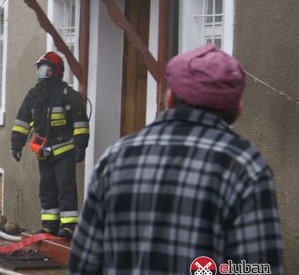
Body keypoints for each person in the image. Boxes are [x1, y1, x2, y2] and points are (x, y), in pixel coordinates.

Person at [69, 45, 283, 274]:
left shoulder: (116, 158)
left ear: (169, 99)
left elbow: (83, 264)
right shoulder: (246, 167)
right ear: (238, 109)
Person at [11, 51, 90, 238]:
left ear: (55, 71)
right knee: (46, 189)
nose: (41, 72)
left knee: (66, 188)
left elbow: (80, 123)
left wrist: (81, 146)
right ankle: (49, 224)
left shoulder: (69, 95)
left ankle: (69, 226)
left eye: (45, 68)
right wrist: (16, 144)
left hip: (65, 149)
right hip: (43, 151)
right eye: (40, 69)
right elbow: (22, 121)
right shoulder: (34, 95)